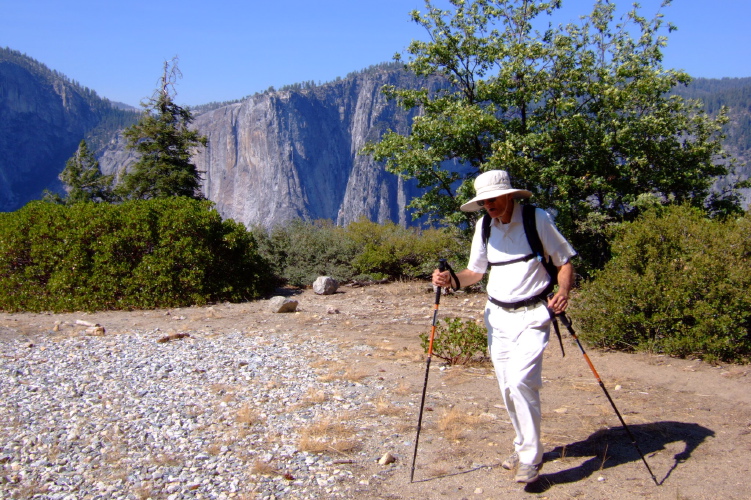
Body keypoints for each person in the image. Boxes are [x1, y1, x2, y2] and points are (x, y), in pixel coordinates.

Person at [432, 170, 576, 484]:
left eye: (494, 199)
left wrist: (563, 292)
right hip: (496, 317)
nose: (489, 205)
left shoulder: (536, 220)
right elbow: (475, 272)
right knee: (508, 387)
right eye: (484, 201)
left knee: (523, 380)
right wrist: (452, 280)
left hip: (534, 314)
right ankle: (525, 446)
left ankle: (530, 458)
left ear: (509, 195)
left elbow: (564, 261)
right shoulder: (484, 226)